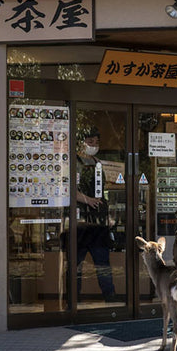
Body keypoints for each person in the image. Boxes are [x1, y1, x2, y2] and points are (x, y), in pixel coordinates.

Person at [73, 126, 117, 302]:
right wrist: (88, 200)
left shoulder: (98, 161)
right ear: (82, 143)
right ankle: (73, 299)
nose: (94, 145)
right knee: (76, 263)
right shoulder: (75, 162)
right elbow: (70, 190)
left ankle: (110, 297)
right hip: (80, 220)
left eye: (96, 142)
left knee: (102, 262)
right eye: (90, 141)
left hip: (99, 220)